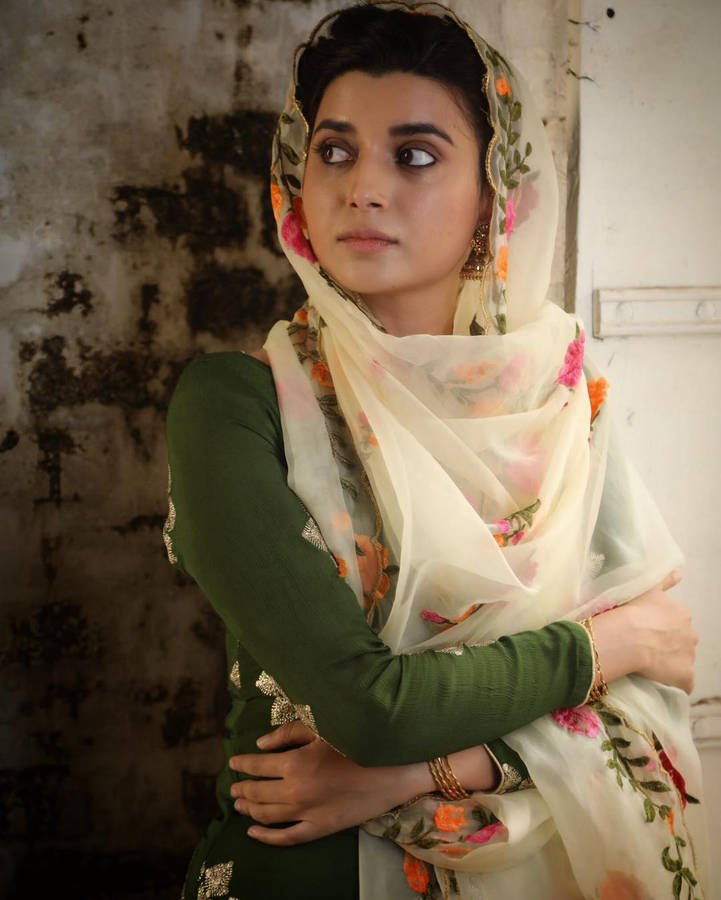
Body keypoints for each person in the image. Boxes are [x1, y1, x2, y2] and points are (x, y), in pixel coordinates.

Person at [163, 2, 707, 897]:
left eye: (413, 155)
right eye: (333, 150)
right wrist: (611, 642)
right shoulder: (239, 403)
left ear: (496, 193)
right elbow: (370, 711)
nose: (360, 188)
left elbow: (657, 689)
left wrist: (420, 775)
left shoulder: (563, 397)